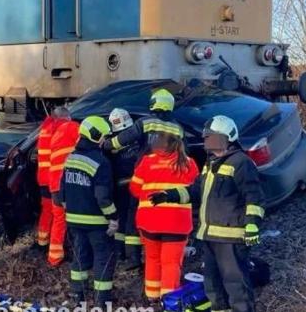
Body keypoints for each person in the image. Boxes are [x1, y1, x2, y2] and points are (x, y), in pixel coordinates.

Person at [151, 115, 264, 312]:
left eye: (212, 137)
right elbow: (196, 191)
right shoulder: (210, 162)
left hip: (231, 238)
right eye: (207, 138)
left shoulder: (241, 163)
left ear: (227, 137)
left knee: (236, 285)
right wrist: (169, 195)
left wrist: (252, 224)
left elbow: (254, 197)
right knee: (213, 285)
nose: (207, 142)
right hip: (209, 236)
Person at [129, 129, 198, 304]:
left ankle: (152, 295)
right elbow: (197, 192)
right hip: (177, 223)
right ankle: (169, 300)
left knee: (152, 258)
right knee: (171, 263)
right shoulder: (189, 164)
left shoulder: (146, 161)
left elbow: (134, 189)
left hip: (149, 221)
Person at [59, 116, 119, 307]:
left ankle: (79, 299)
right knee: (103, 260)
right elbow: (102, 196)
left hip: (74, 221)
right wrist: (113, 217)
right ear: (95, 136)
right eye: (103, 136)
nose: (104, 140)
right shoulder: (101, 162)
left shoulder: (71, 158)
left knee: (79, 259)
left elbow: (62, 191)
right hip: (97, 223)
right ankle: (102, 303)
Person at [107, 108, 143, 269]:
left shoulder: (111, 144)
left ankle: (120, 252)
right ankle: (132, 256)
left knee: (122, 220)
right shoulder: (138, 141)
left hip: (120, 187)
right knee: (131, 222)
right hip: (134, 187)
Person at [33, 107, 71, 252]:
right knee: (59, 214)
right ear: (63, 118)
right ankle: (57, 247)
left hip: (43, 178)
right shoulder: (59, 130)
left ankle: (42, 243)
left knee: (47, 210)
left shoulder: (45, 127)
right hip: (55, 178)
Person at [102, 88, 182, 153]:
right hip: (168, 168)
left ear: (154, 102)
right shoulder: (178, 129)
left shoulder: (144, 123)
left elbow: (126, 137)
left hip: (147, 167)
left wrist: (107, 144)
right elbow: (184, 152)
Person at [47, 109, 78, 267]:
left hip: (54, 185)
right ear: (68, 117)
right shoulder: (72, 127)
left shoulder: (54, 134)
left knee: (59, 220)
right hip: (68, 184)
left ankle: (54, 257)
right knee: (75, 218)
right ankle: (77, 253)